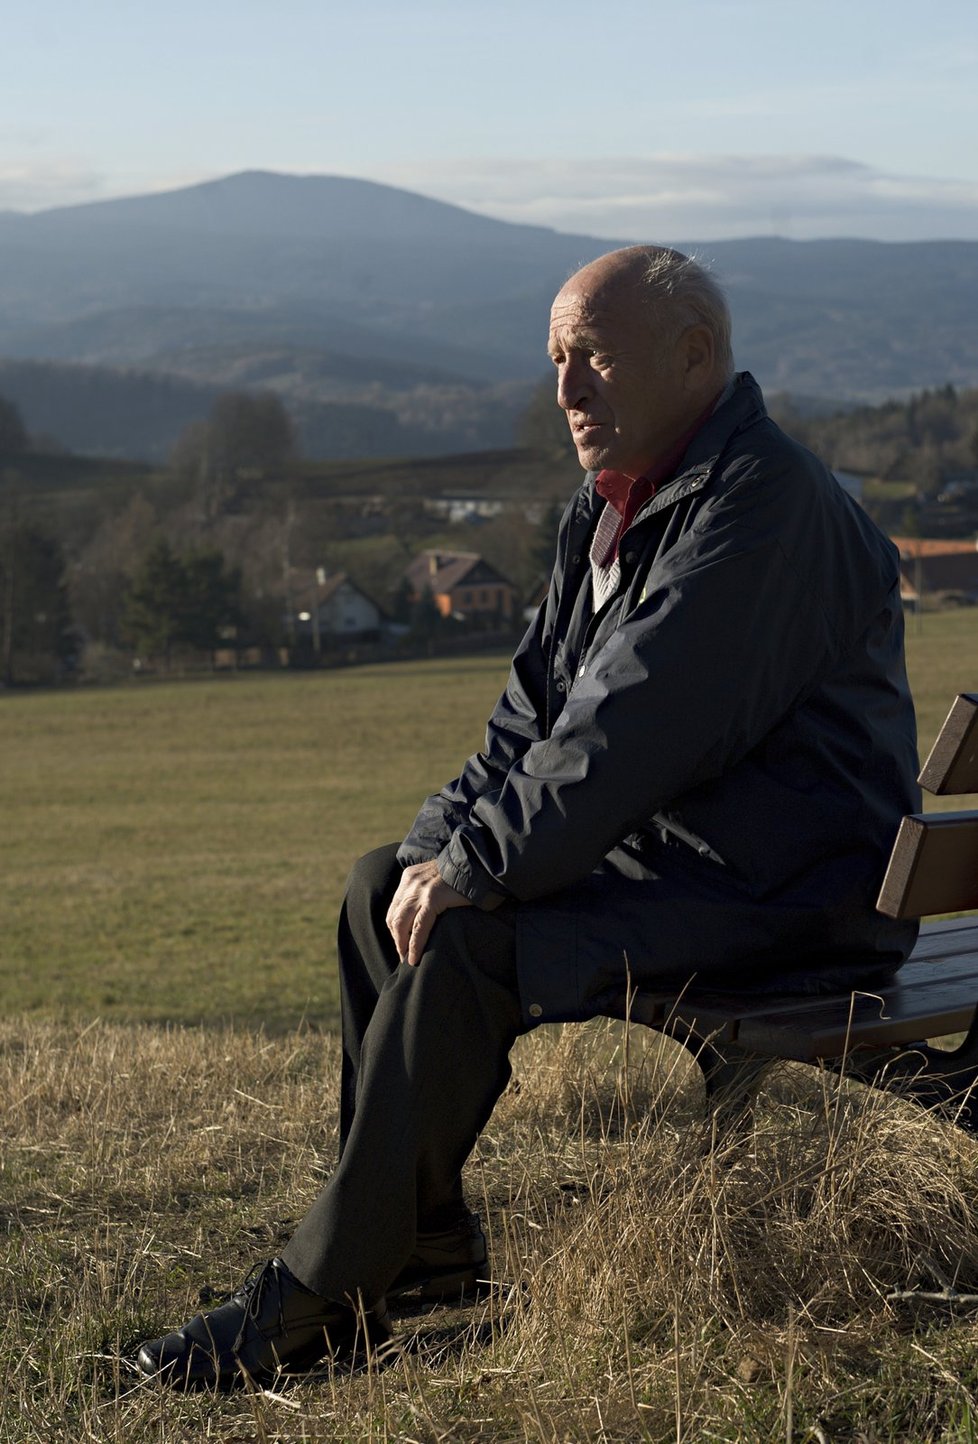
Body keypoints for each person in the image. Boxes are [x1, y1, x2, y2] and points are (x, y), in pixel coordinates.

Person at [136, 245, 920, 1389]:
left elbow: (627, 730)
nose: (565, 390)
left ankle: (313, 1301)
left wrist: (479, 869)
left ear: (694, 357)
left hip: (798, 894)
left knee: (469, 938)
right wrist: (436, 845)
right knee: (378, 890)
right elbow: (527, 722)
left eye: (592, 357)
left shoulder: (760, 507)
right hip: (707, 867)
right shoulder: (615, 508)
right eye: (557, 361)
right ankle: (430, 1263)